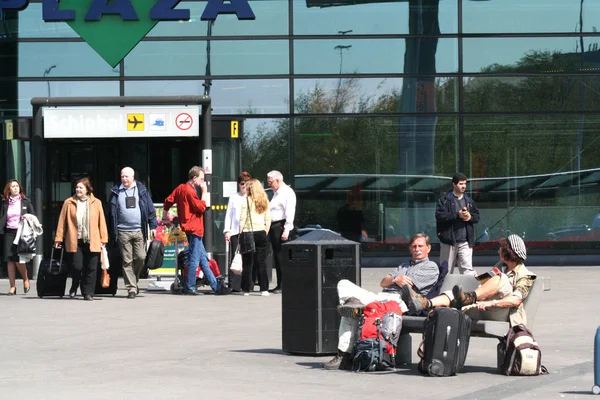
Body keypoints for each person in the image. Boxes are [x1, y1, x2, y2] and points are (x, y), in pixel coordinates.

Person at [323, 233, 439, 370]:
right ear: (410, 248)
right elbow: (383, 282)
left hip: (398, 301)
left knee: (350, 314)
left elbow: (408, 286)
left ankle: (344, 355)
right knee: (344, 284)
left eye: (420, 246)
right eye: (414, 246)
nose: (417, 249)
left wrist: (394, 279)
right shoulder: (404, 265)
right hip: (380, 297)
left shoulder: (431, 267)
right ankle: (354, 306)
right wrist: (396, 279)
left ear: (429, 248)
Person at [401, 234, 536, 327]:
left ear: (508, 252)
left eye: (501, 249)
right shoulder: (500, 267)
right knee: (449, 297)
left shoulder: (525, 275)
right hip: (481, 306)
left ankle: (468, 297)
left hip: (502, 312)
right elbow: (482, 282)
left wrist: (492, 302)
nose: (498, 251)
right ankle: (425, 303)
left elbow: (516, 300)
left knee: (501, 278)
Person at [163, 166, 231, 296]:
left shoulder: (180, 188)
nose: (202, 182)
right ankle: (190, 287)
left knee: (204, 260)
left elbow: (167, 201)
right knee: (195, 259)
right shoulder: (190, 191)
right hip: (195, 228)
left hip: (190, 228)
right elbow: (200, 207)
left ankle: (216, 287)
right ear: (194, 178)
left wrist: (164, 217)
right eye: (201, 179)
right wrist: (205, 192)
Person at [54, 178, 109, 301]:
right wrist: (59, 238)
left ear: (87, 189)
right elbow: (62, 222)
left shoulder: (97, 202)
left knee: (92, 267)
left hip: (92, 239)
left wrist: (103, 238)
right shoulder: (69, 202)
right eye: (77, 187)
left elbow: (102, 222)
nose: (78, 190)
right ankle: (75, 283)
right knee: (77, 266)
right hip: (75, 239)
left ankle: (87, 293)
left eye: (81, 187)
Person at [108, 167, 158, 299]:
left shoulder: (141, 190)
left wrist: (153, 226)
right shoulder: (115, 191)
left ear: (133, 177)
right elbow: (111, 213)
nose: (124, 179)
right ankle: (131, 288)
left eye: (126, 176)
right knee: (127, 260)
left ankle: (133, 281)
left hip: (139, 230)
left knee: (141, 257)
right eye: (122, 176)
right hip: (122, 231)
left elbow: (150, 208)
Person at [435, 172, 480, 276]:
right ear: (454, 184)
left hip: (465, 242)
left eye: (465, 183)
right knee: (446, 271)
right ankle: (444, 291)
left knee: (468, 270)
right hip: (449, 241)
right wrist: (457, 215)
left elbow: (477, 217)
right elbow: (439, 216)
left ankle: (471, 292)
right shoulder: (444, 200)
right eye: (460, 184)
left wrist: (470, 217)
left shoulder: (469, 201)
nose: (463, 186)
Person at [0, 179, 35, 295]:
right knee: (9, 259)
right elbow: (2, 217)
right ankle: (12, 286)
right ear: (8, 189)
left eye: (17, 186)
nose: (15, 188)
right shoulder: (5, 202)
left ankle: (25, 279)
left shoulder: (25, 201)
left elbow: (33, 216)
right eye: (12, 186)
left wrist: (27, 217)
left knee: (19, 259)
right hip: (9, 232)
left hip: (21, 232)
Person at [239, 179, 272, 296]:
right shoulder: (264, 200)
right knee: (261, 262)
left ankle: (246, 289)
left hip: (248, 232)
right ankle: (264, 289)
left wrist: (240, 233)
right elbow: (268, 218)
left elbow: (243, 218)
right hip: (261, 232)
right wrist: (265, 231)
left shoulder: (246, 200)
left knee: (247, 262)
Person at [267, 170, 296, 293]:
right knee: (277, 256)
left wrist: (287, 230)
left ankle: (284, 284)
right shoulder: (276, 193)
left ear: (278, 180)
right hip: (275, 225)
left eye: (270, 182)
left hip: (282, 225)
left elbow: (289, 211)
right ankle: (280, 283)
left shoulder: (286, 192)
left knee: (282, 256)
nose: (270, 185)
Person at [223, 171, 251, 292]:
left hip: (249, 230)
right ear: (239, 184)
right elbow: (229, 215)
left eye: (246, 183)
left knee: (248, 258)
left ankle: (247, 284)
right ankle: (234, 285)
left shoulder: (252, 197)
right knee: (235, 258)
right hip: (235, 231)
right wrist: (227, 231)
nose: (244, 186)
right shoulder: (234, 197)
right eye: (242, 183)